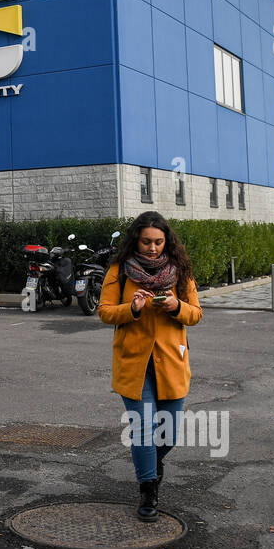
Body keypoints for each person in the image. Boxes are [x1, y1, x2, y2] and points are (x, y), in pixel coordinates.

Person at [97, 211, 202, 521]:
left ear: (166, 241)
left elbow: (196, 313)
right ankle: (148, 490)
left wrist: (176, 306)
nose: (152, 248)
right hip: (134, 362)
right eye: (146, 242)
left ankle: (151, 465)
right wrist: (132, 308)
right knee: (143, 430)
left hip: (172, 361)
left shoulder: (180, 270)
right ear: (135, 241)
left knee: (169, 434)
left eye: (158, 242)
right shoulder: (119, 270)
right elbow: (104, 312)